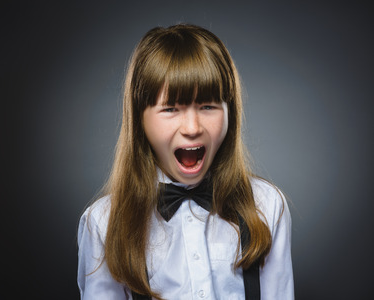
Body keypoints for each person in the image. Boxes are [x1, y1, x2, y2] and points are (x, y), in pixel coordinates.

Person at [77, 24, 294, 299]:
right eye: (170, 108)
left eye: (207, 106)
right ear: (139, 119)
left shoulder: (267, 205)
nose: (192, 127)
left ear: (231, 113)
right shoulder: (103, 223)